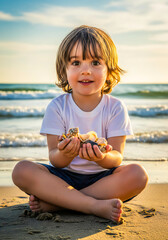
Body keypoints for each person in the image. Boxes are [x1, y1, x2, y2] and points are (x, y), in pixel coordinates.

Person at [12, 25, 148, 223]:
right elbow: (54, 160)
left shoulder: (115, 107)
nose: (86, 71)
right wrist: (65, 154)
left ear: (109, 70)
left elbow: (117, 157)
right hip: (63, 177)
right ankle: (93, 205)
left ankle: (59, 203)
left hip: (103, 179)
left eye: (95, 62)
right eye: (76, 62)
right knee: (22, 170)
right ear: (64, 70)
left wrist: (102, 158)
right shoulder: (57, 106)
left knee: (138, 175)